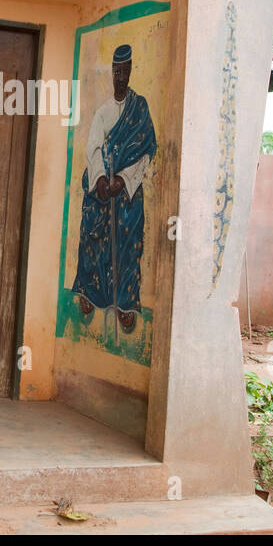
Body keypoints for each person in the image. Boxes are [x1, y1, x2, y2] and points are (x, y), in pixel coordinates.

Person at [71, 43, 156, 333]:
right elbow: (92, 147)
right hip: (102, 191)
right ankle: (91, 292)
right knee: (93, 238)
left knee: (129, 248)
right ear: (112, 72)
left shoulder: (140, 108)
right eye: (116, 70)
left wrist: (123, 178)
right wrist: (100, 180)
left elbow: (147, 149)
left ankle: (125, 303)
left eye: (125, 70)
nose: (120, 76)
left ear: (131, 71)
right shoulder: (104, 111)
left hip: (128, 194)